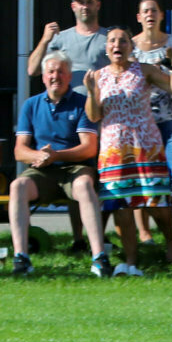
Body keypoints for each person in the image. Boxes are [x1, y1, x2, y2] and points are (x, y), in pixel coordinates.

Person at [84, 27, 172, 275]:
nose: (117, 45)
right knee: (121, 206)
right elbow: (94, 115)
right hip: (113, 152)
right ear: (106, 48)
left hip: (146, 146)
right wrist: (89, 91)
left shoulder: (144, 70)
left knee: (156, 201)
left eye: (123, 41)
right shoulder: (97, 76)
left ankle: (171, 242)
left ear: (131, 46)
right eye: (112, 41)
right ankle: (131, 261)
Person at [10, 51, 111, 277]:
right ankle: (21, 257)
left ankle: (99, 257)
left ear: (68, 77)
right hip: (42, 170)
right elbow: (19, 150)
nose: (55, 76)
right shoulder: (30, 105)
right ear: (44, 77)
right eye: (51, 72)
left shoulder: (82, 103)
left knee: (85, 185)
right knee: (17, 186)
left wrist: (57, 155)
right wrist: (38, 156)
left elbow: (89, 148)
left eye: (61, 72)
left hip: (74, 169)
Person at [133, 0, 172, 246]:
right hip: (140, 120)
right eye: (145, 11)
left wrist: (169, 73)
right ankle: (144, 232)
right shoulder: (131, 47)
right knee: (138, 170)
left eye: (154, 10)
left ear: (161, 15)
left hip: (169, 117)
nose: (149, 15)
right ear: (138, 17)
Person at [28, 0, 108, 94]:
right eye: (81, 2)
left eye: (89, 2)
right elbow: (33, 70)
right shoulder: (60, 38)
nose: (85, 7)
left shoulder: (110, 39)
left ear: (98, 5)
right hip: (68, 108)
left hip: (102, 106)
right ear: (73, 6)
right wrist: (45, 41)